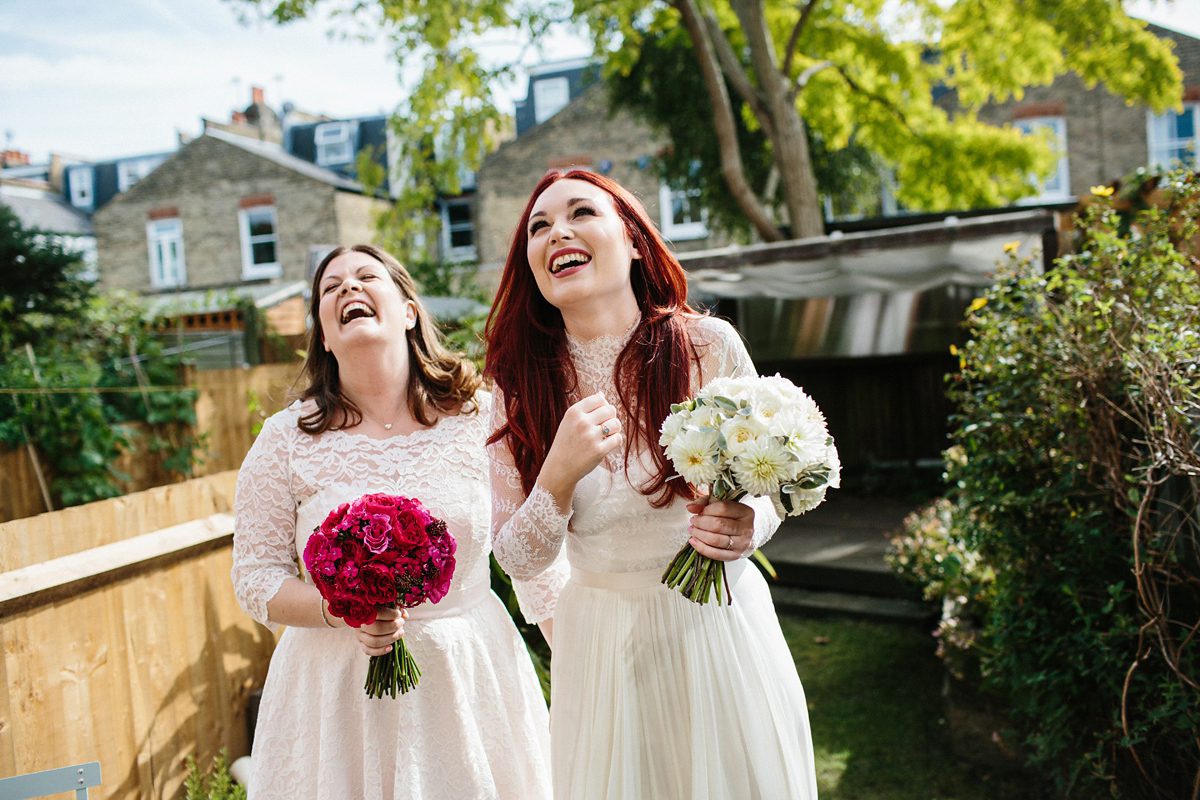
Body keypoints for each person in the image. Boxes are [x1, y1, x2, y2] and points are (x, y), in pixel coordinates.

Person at [485, 170, 818, 799]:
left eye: (581, 212)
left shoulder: (706, 347)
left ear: (634, 241)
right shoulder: (516, 387)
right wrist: (555, 478)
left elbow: (773, 486)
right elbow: (517, 557)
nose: (558, 232)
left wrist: (749, 525)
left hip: (718, 624)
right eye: (539, 226)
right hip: (603, 645)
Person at [232, 244, 556, 800]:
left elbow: (526, 541)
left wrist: (574, 647)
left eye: (364, 277)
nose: (347, 290)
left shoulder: (483, 414)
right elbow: (254, 577)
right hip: (335, 691)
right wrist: (337, 610)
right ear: (325, 337)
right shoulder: (285, 440)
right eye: (330, 288)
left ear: (408, 311)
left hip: (467, 674)